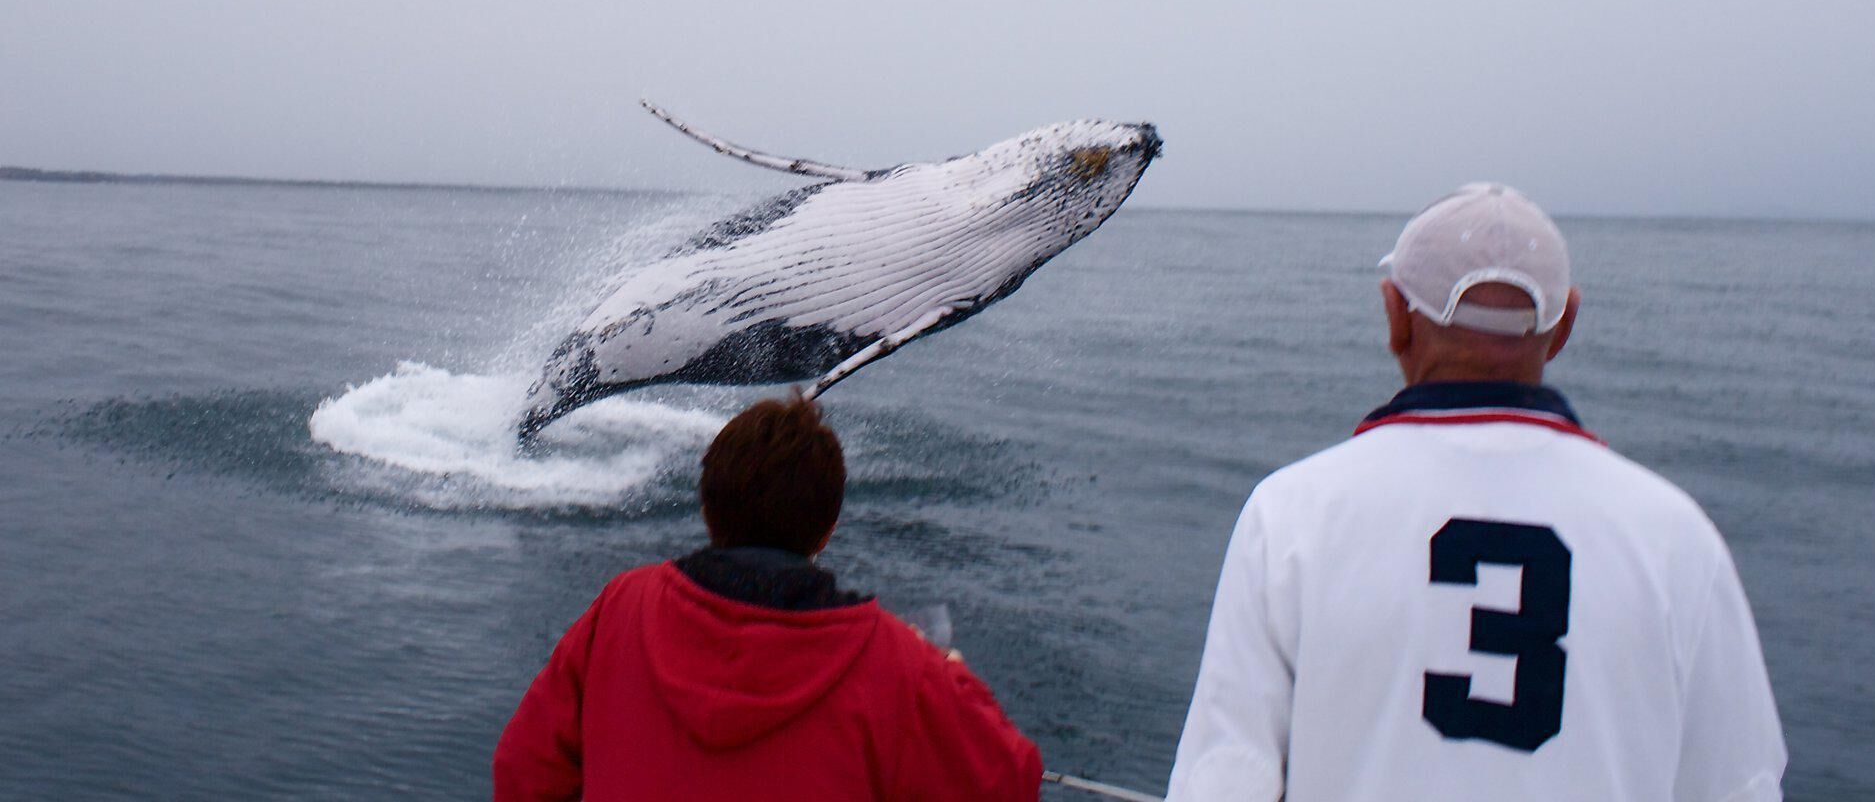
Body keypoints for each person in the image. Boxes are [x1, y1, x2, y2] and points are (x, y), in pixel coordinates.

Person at [1166, 183, 1787, 802]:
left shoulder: (1290, 515)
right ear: (1565, 322)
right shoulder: (1675, 535)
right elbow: (1740, 786)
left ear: (1395, 316)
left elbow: (1224, 778)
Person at [494, 393, 1042, 801]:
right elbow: (1010, 779)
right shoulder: (898, 663)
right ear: (827, 529)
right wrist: (952, 675)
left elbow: (524, 771)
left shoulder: (621, 608)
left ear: (707, 511)